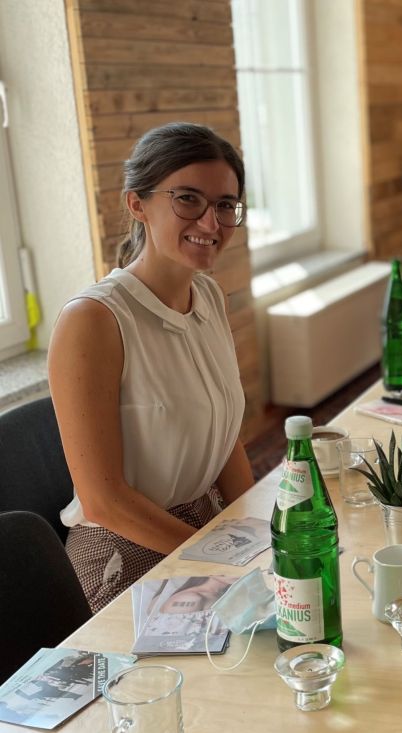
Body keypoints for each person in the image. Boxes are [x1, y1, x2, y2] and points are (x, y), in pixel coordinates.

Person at [49, 122, 254, 613]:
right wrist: (226, 562)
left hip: (208, 526)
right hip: (125, 550)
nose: (211, 223)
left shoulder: (207, 295)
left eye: (226, 205)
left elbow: (223, 439)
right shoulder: (94, 320)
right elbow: (104, 501)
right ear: (137, 204)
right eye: (188, 199)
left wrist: (261, 529)